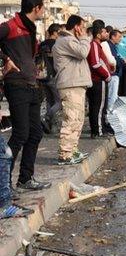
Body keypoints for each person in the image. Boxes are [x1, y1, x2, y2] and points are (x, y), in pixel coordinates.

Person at [0, 0, 51, 191]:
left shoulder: (30, 29)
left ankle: (25, 178)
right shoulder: (11, 26)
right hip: (16, 85)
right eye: (43, 7)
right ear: (36, 8)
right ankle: (4, 184)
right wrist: (5, 59)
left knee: (35, 133)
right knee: (20, 134)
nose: (44, 11)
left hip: (31, 85)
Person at [52, 15, 92, 165]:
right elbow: (83, 52)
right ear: (76, 27)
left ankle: (72, 150)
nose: (83, 30)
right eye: (82, 26)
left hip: (76, 84)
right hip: (70, 85)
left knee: (78, 120)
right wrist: (84, 38)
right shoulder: (66, 40)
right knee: (71, 120)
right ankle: (65, 154)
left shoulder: (70, 41)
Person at [86, 21, 112, 137]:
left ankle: (96, 131)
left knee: (95, 107)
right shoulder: (95, 45)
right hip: (98, 80)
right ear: (98, 34)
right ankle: (98, 131)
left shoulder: (96, 45)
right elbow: (95, 63)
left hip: (96, 80)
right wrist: (107, 75)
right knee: (99, 107)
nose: (106, 34)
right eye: (104, 32)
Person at [38, 23, 61, 134]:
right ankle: (46, 117)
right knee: (59, 102)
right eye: (59, 32)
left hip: (42, 75)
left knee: (49, 100)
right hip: (53, 75)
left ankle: (49, 126)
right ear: (55, 32)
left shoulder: (42, 44)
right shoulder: (57, 44)